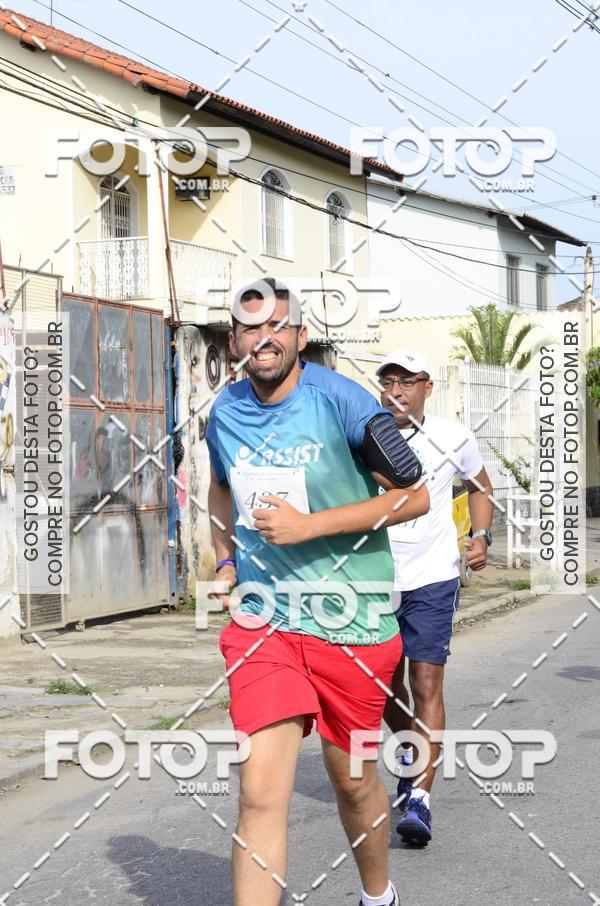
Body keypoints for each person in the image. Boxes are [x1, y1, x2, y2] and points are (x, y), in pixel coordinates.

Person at [206, 280, 430, 906]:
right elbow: (221, 489)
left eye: (279, 325)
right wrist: (226, 561)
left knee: (353, 783)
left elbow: (415, 496)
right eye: (251, 328)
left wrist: (308, 527)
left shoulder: (345, 403)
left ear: (302, 336)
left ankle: (378, 893)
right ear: (235, 341)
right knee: (258, 791)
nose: (264, 338)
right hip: (265, 623)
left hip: (352, 624)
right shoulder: (225, 412)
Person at [377, 348, 494, 846]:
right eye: (389, 381)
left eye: (407, 381)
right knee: (383, 690)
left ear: (428, 387)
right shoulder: (365, 437)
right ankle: (413, 756)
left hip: (433, 576)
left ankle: (420, 800)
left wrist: (481, 538)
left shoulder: (454, 437)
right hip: (375, 578)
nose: (397, 390)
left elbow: (480, 487)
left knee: (426, 684)